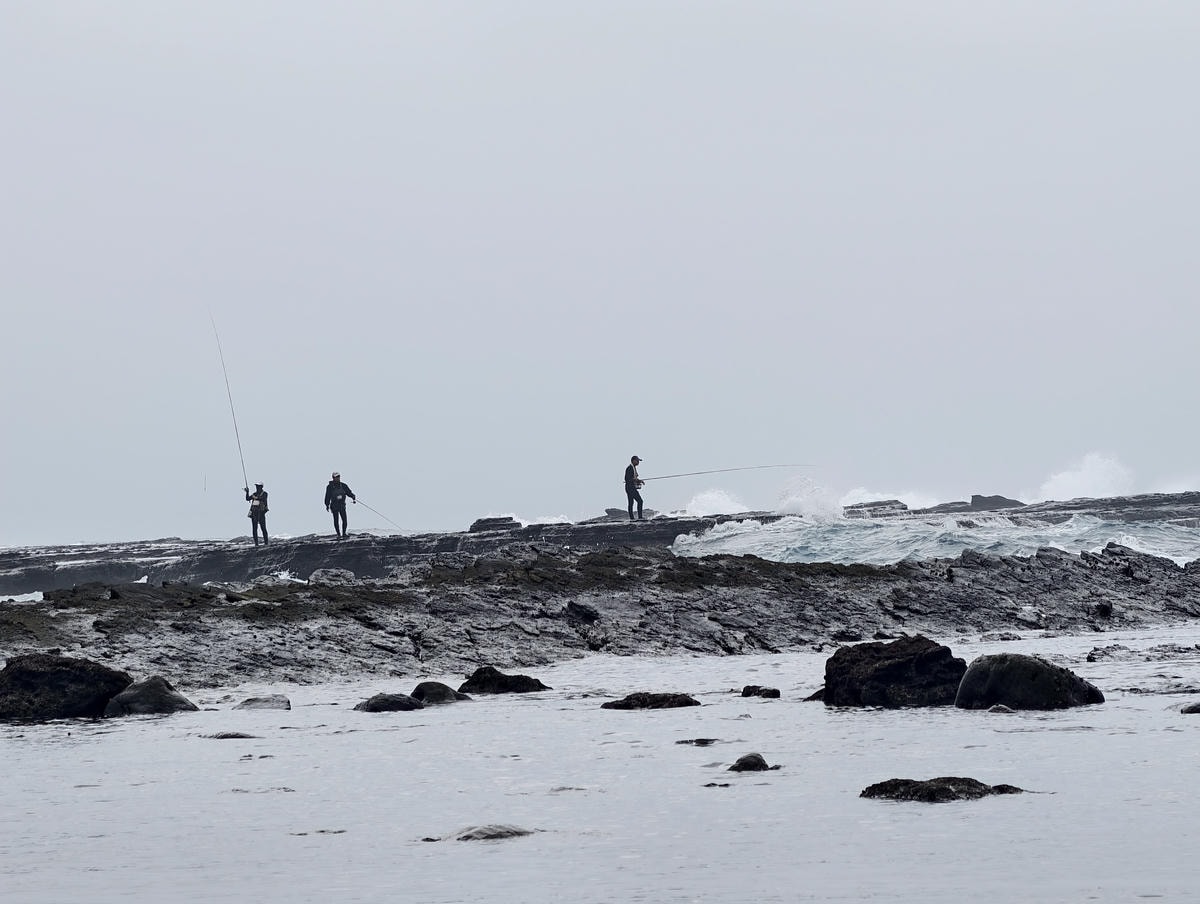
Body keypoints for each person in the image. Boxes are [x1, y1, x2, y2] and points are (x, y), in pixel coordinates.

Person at [324, 471, 356, 539]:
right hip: (334, 506)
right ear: (333, 478)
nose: (337, 478)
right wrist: (327, 505)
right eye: (335, 477)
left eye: (338, 476)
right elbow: (327, 496)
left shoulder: (344, 485)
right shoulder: (329, 487)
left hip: (342, 505)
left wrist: (352, 496)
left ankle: (344, 533)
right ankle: (338, 534)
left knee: (344, 520)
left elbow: (348, 492)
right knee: (336, 520)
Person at [624, 455, 645, 521]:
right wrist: (636, 480)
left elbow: (633, 478)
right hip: (630, 488)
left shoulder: (633, 468)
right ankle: (640, 517)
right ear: (634, 460)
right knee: (640, 501)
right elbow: (627, 478)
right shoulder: (630, 468)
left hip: (630, 487)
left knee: (631, 503)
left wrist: (639, 481)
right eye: (637, 460)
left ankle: (632, 518)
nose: (638, 462)